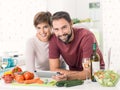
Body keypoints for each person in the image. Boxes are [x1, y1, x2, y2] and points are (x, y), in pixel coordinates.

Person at [49, 11, 105, 81]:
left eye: (64, 27)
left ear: (71, 24)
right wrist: (79, 74)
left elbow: (88, 73)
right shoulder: (54, 39)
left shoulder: (87, 36)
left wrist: (68, 76)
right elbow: (54, 69)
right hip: (76, 77)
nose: (61, 33)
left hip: (97, 77)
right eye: (56, 29)